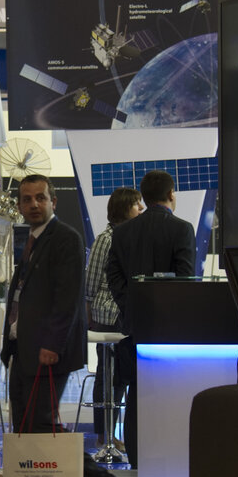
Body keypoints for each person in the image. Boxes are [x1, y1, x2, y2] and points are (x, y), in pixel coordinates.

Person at [0, 175, 128, 477]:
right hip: (24, 350)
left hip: (47, 351)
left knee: (41, 425)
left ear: (53, 202)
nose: (33, 204)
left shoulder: (65, 238)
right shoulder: (33, 240)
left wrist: (52, 343)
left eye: (40, 198)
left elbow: (67, 297)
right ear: (19, 205)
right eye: (26, 199)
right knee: (25, 429)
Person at [106, 169, 196, 468]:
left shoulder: (122, 232)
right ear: (171, 195)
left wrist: (131, 302)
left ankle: (135, 460)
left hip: (135, 325)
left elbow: (113, 275)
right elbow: (185, 279)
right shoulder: (182, 229)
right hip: (170, 328)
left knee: (135, 395)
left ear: (144, 197)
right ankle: (167, 456)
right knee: (169, 396)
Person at [85, 186, 143, 442]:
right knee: (107, 376)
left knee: (119, 376)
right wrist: (89, 315)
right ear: (123, 208)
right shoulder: (106, 239)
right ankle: (103, 434)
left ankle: (112, 433)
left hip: (126, 315)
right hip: (107, 316)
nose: (141, 209)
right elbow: (91, 282)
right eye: (136, 205)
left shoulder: (133, 237)